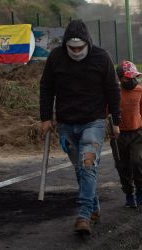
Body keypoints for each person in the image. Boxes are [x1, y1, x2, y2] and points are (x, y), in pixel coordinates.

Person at [40, 20, 121, 235]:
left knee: (87, 164)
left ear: (88, 43)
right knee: (81, 169)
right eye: (72, 48)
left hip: (93, 121)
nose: (76, 52)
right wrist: (46, 118)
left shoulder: (101, 58)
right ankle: (94, 208)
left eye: (80, 48)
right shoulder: (56, 57)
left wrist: (117, 122)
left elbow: (113, 89)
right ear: (66, 44)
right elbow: (46, 88)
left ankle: (84, 215)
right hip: (66, 124)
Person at [113, 60, 142, 208]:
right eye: (128, 77)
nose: (132, 80)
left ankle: (140, 190)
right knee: (122, 166)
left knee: (137, 162)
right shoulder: (114, 93)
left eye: (134, 77)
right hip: (119, 136)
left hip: (137, 133)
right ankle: (129, 194)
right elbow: (105, 112)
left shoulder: (139, 90)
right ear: (120, 78)